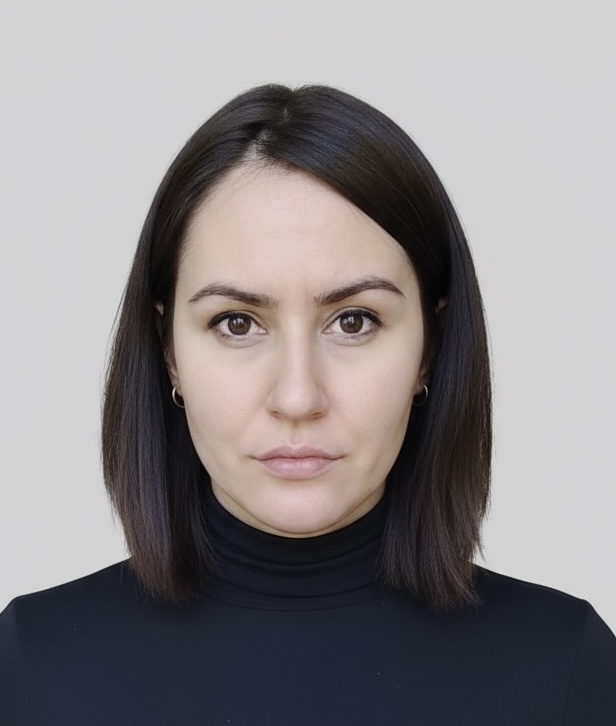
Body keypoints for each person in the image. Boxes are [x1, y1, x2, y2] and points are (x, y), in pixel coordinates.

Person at [1, 83, 615, 725]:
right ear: (170, 353)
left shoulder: (568, 673)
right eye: (237, 323)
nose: (297, 397)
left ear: (429, 350)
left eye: (354, 321)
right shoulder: (30, 670)